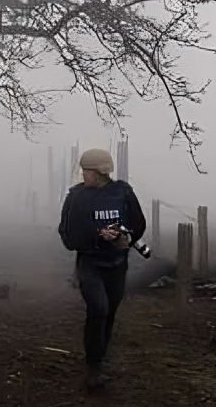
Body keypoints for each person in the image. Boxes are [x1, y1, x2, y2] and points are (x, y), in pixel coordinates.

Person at [57, 148, 146, 390]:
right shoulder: (77, 197)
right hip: (90, 263)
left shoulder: (123, 193)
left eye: (86, 171)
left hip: (117, 264)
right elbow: (67, 235)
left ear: (99, 172)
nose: (83, 175)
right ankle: (93, 369)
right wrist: (98, 235)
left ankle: (99, 357)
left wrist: (123, 234)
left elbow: (139, 224)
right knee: (98, 309)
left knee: (109, 314)